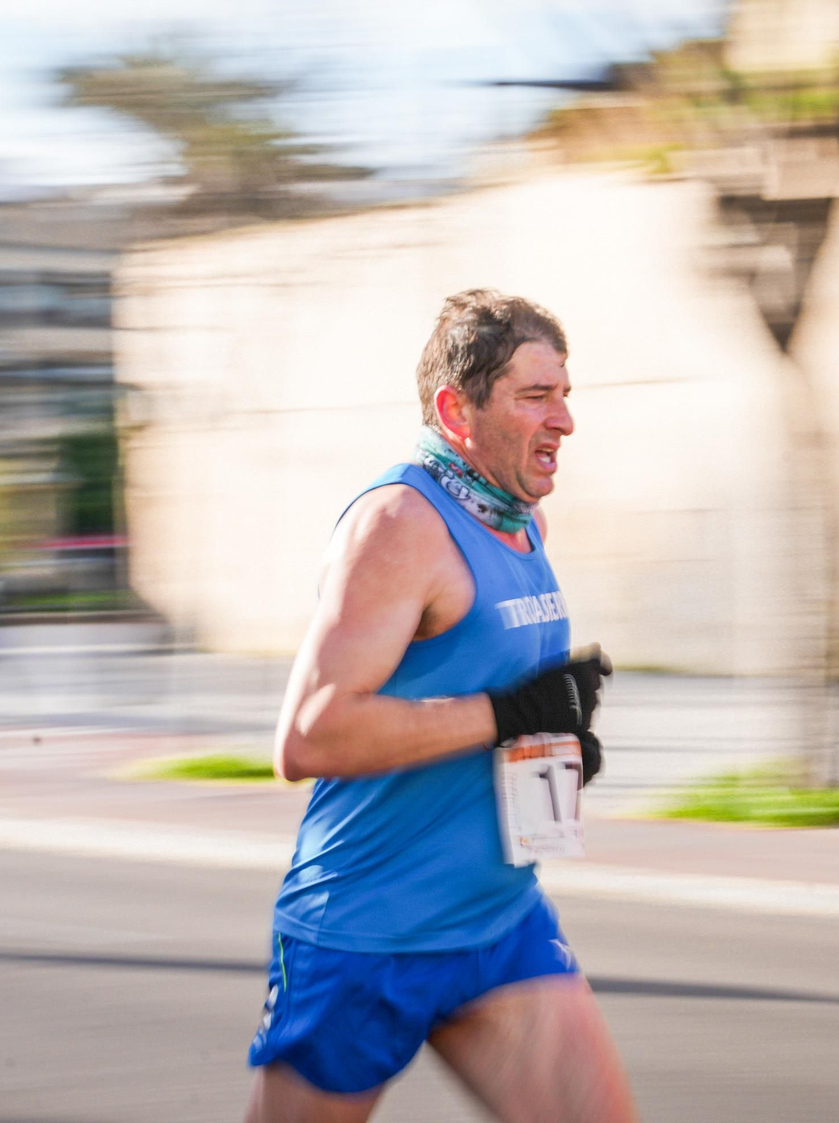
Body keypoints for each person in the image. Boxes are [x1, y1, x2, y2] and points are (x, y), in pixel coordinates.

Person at [244, 290, 637, 1122]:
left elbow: (481, 694)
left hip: (499, 921)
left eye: (566, 393)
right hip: (366, 934)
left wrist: (553, 734)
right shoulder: (401, 523)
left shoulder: (518, 521)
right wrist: (506, 715)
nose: (564, 419)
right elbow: (310, 736)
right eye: (536, 396)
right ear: (457, 410)